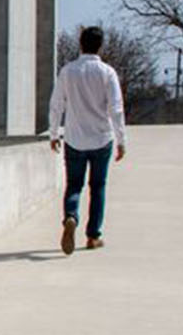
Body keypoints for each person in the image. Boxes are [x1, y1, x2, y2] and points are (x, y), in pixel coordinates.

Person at [48, 26, 126, 255]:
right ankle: (93, 236)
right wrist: (122, 139)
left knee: (74, 184)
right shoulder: (107, 72)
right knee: (98, 187)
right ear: (100, 46)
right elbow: (116, 108)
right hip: (102, 138)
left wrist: (53, 133)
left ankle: (71, 216)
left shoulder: (68, 71)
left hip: (74, 138)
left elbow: (56, 105)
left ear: (80, 44)